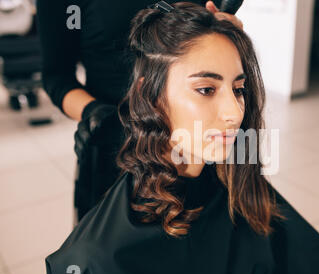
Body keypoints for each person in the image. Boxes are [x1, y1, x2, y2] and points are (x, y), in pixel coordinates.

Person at [45, 2, 319, 274]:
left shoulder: (240, 196)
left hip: (198, 159)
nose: (235, 112)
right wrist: (95, 115)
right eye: (206, 89)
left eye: (239, 89)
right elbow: (57, 76)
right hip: (112, 141)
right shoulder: (97, 259)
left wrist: (222, 42)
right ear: (148, 94)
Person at [36, 0, 242, 222]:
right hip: (116, 143)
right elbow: (57, 76)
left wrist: (227, 34)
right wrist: (94, 113)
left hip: (199, 145)